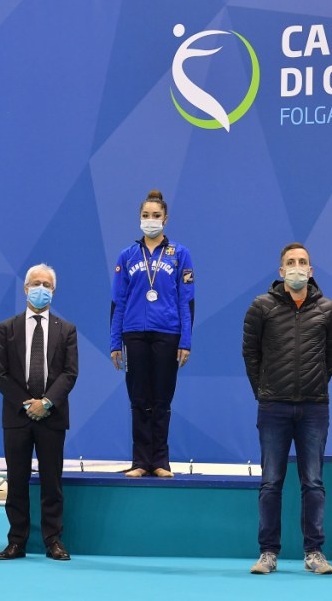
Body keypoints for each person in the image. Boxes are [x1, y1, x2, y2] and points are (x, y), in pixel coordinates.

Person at [243, 243, 332, 576]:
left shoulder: (328, 309)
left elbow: (330, 356)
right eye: (291, 262)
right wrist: (264, 392)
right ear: (281, 270)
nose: (297, 267)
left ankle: (314, 552)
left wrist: (314, 386)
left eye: (302, 262)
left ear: (311, 271)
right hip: (273, 407)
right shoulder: (261, 306)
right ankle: (268, 553)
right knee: (271, 482)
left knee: (313, 482)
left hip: (314, 409)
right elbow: (250, 354)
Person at [0, 264, 79, 561]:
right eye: (36, 283)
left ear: (53, 291)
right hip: (17, 417)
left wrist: (47, 403)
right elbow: (1, 375)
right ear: (25, 288)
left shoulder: (66, 330)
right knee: (16, 480)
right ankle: (16, 541)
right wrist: (27, 403)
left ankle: (53, 540)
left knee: (51, 481)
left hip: (52, 417)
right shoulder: (7, 328)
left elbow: (69, 373)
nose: (41, 289)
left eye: (47, 285)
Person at [110, 190, 195, 478]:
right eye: (146, 215)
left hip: (168, 333)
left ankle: (160, 461)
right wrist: (115, 342)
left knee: (161, 399)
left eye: (156, 215)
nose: (150, 220)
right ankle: (140, 461)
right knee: (138, 399)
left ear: (165, 219)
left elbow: (186, 300)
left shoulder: (180, 254)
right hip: (133, 334)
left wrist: (185, 340)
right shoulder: (127, 256)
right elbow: (118, 301)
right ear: (139, 218)